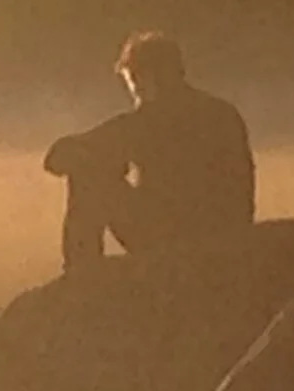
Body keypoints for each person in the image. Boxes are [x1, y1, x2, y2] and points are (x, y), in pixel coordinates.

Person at [43, 32, 254, 273]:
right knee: (92, 159)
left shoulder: (145, 122)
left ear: (148, 77)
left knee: (88, 173)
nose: (134, 92)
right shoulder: (223, 113)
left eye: (133, 81)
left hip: (168, 239)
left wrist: (98, 158)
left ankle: (82, 272)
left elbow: (56, 159)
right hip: (227, 240)